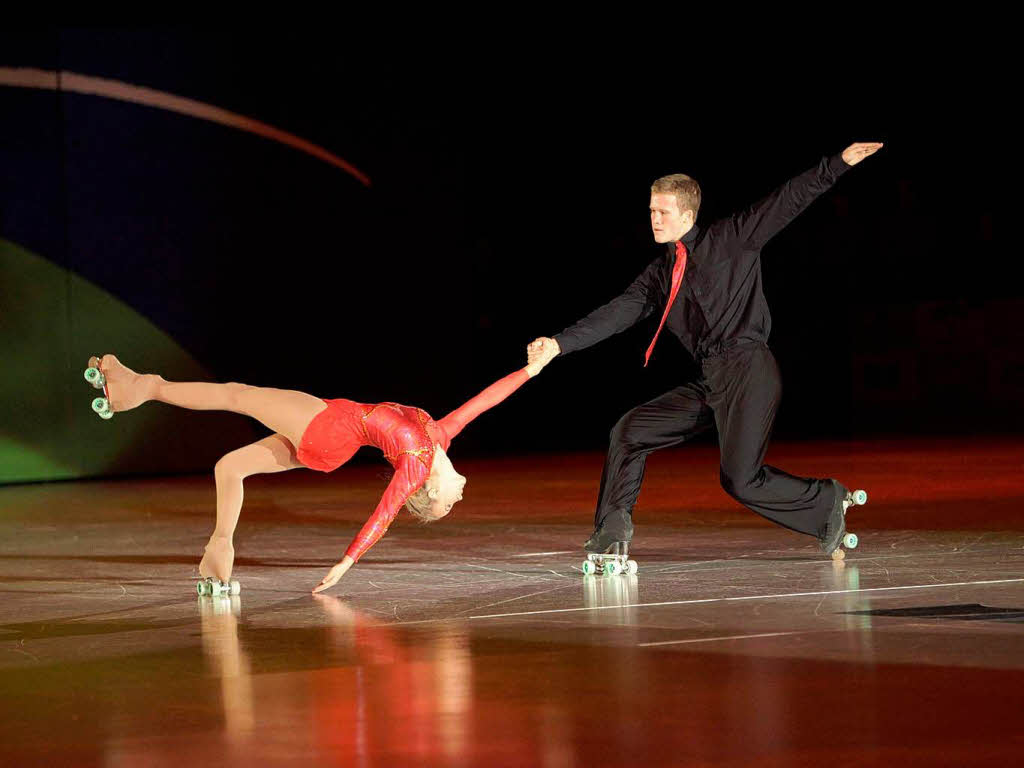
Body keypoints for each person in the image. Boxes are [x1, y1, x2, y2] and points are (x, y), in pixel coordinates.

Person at [528, 142, 884, 558]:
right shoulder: (659, 276)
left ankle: (825, 500)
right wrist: (558, 343)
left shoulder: (732, 239)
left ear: (687, 214)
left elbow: (786, 200)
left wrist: (837, 164)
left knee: (740, 480)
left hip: (750, 371)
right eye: (650, 211)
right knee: (630, 430)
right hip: (711, 378)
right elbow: (616, 313)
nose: (653, 219)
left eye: (662, 212)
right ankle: (613, 529)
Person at [86, 344, 558, 593]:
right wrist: (531, 372)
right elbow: (484, 402)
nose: (459, 497)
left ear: (429, 490)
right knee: (229, 467)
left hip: (328, 428)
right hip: (333, 441)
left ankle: (144, 387)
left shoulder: (415, 464)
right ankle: (219, 550)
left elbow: (383, 515)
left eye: (448, 504)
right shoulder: (440, 437)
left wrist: (346, 563)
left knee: (237, 394)